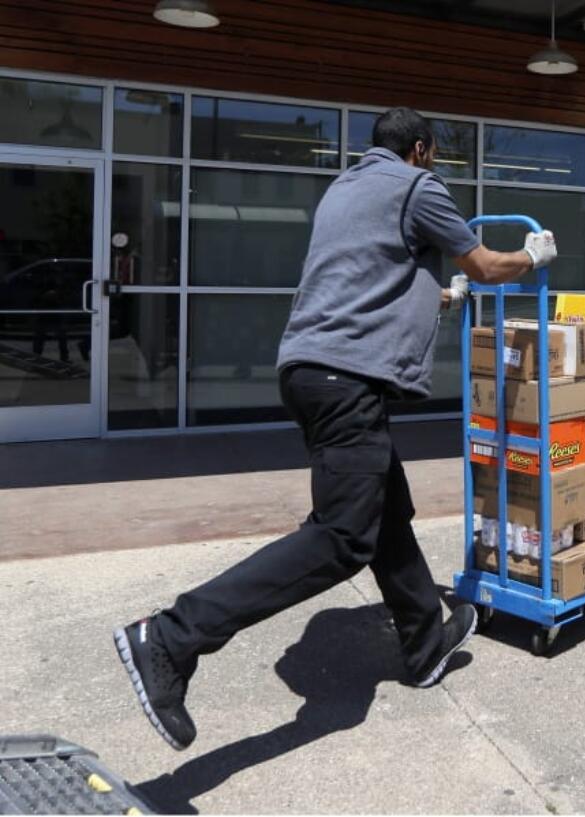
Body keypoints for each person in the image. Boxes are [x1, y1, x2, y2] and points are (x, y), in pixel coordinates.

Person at [112, 107, 557, 751]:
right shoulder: (416, 185)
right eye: (433, 155)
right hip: (346, 381)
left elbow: (370, 279)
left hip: (310, 372)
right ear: (423, 149)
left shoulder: (344, 192)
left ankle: (424, 639)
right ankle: (173, 636)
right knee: (343, 537)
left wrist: (444, 297)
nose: (433, 165)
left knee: (386, 509)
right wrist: (532, 257)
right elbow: (487, 263)